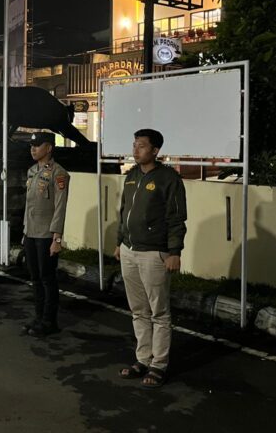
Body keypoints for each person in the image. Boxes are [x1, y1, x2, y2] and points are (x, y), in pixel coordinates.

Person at [115, 129, 187, 388]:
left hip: (154, 253)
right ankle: (143, 359)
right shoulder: (132, 176)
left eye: (142, 146)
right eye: (134, 144)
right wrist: (119, 242)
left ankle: (159, 364)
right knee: (138, 310)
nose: (136, 150)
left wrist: (174, 252)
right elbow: (124, 211)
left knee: (159, 312)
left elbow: (176, 218)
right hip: (129, 250)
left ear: (155, 151)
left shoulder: (169, 179)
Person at [21, 132, 70, 337]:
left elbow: (60, 207)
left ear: (49, 148)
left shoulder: (58, 173)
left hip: (46, 234)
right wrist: (25, 230)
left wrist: (56, 238)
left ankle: (50, 321)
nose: (33, 149)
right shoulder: (32, 171)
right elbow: (29, 205)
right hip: (31, 232)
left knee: (47, 278)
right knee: (35, 278)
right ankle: (39, 317)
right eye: (31, 145)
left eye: (37, 145)